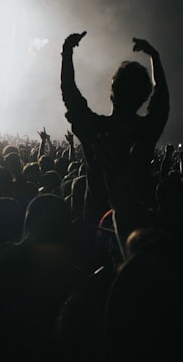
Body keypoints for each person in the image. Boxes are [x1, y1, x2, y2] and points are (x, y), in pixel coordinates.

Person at [60, 32, 169, 248]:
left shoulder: (94, 128)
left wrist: (67, 53)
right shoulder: (145, 131)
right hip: (136, 232)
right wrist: (154, 56)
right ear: (143, 97)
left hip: (95, 229)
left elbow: (69, 93)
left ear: (112, 92)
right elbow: (162, 100)